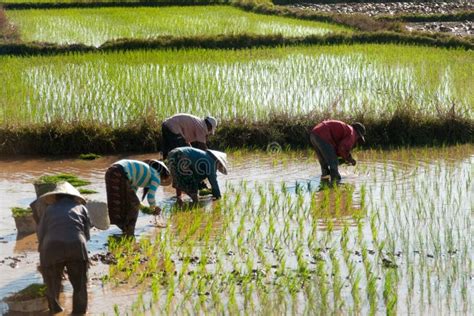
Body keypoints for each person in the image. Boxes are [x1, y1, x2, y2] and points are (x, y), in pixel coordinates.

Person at [34, 181, 90, 315]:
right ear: (74, 197)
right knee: (79, 285)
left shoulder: (49, 209)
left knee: (52, 284)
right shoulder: (81, 208)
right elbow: (86, 234)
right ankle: (78, 312)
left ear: (56, 197)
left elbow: (41, 233)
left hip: (51, 248)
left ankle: (55, 309)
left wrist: (43, 254)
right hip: (76, 246)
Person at [105, 159, 171, 235]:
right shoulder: (156, 177)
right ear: (163, 176)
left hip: (111, 171)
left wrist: (146, 209)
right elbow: (150, 196)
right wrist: (154, 208)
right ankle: (129, 233)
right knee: (133, 205)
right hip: (120, 172)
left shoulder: (140, 176)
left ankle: (124, 229)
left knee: (121, 202)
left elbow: (133, 197)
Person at [310, 120, 366, 184]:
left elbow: (338, 150)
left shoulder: (348, 129)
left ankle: (324, 182)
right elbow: (342, 149)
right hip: (323, 135)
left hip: (314, 134)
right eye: (358, 138)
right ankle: (335, 184)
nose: (357, 140)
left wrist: (344, 159)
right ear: (358, 134)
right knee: (333, 162)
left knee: (324, 163)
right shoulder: (352, 133)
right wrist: (349, 159)